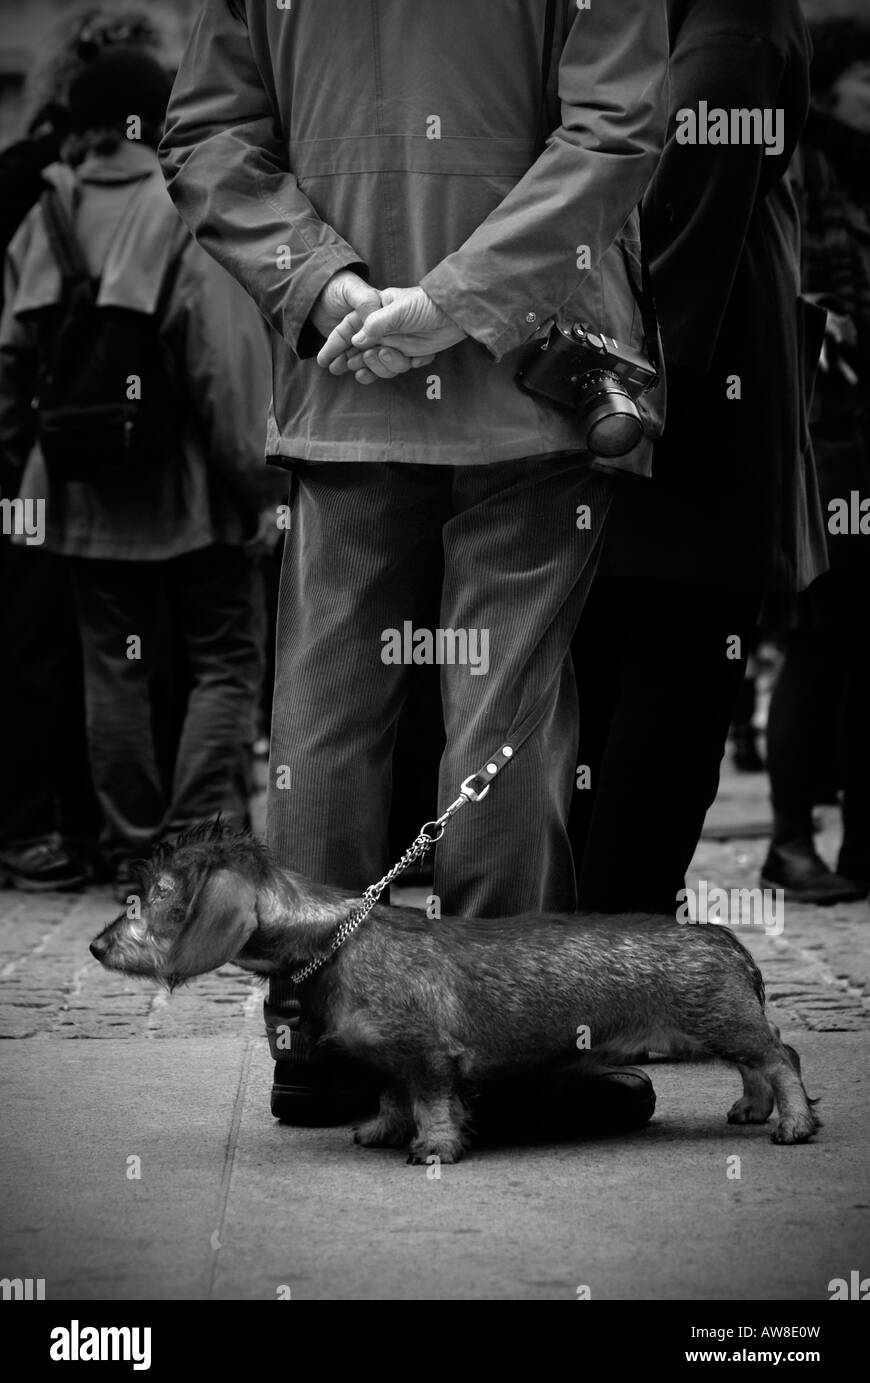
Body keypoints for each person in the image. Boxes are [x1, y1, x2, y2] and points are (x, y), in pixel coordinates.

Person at [160, 0, 670, 1127]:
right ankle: (506, 1053)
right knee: (509, 715)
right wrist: (452, 303)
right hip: (532, 371)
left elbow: (207, 137)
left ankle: (318, 1036)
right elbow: (617, 130)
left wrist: (324, 281)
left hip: (347, 372)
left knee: (325, 720)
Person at [0, 46, 280, 902]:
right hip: (188, 492)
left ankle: (129, 848)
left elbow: (12, 364)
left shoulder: (49, 209)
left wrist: (33, 470)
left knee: (111, 664)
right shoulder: (186, 206)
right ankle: (193, 844)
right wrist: (259, 494)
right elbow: (223, 374)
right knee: (224, 658)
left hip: (78, 494)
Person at [567, 0, 829, 914]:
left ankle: (604, 937)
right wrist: (630, 381)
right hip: (681, 375)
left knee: (636, 666)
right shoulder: (737, 12)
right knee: (666, 674)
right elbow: (694, 177)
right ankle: (614, 944)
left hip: (661, 362)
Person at [0, 7, 170, 892]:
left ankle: (51, 829)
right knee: (121, 652)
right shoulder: (167, 194)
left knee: (54, 647)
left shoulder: (36, 188)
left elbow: (12, 349)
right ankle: (110, 838)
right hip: (137, 468)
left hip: (40, 466)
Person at [761, 18, 870, 904]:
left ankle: (858, 843)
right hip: (826, 437)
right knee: (821, 637)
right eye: (866, 80)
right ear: (829, 83)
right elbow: (812, 298)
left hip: (854, 433)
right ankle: (790, 843)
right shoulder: (805, 159)